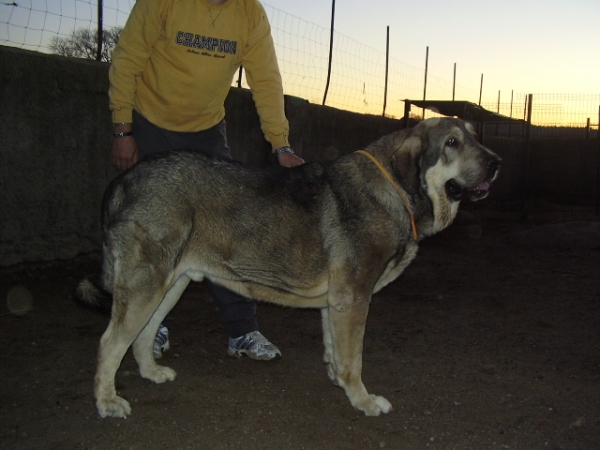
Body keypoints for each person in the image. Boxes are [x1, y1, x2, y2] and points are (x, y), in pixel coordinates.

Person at [108, 0, 304, 361]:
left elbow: (266, 79)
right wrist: (123, 129)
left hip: (207, 131)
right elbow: (127, 58)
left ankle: (242, 330)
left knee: (227, 230)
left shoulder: (249, 12)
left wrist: (281, 145)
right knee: (155, 235)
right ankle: (149, 323)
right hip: (150, 122)